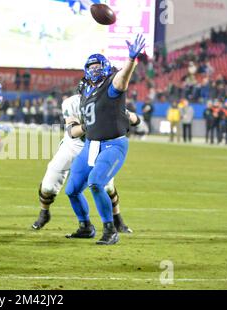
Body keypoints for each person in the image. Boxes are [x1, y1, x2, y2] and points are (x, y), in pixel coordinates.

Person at [64, 34, 145, 245]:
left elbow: (122, 80)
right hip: (91, 145)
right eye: (91, 67)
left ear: (107, 68)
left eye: (99, 66)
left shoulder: (111, 84)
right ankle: (85, 226)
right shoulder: (84, 91)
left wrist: (131, 60)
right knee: (72, 190)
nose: (95, 70)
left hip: (113, 145)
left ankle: (110, 230)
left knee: (96, 183)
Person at [32, 79, 135, 235]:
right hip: (72, 146)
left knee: (106, 185)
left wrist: (132, 118)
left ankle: (117, 220)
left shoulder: (105, 100)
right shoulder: (71, 103)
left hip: (96, 144)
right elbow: (72, 132)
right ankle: (44, 213)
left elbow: (128, 117)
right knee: (48, 184)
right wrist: (90, 125)